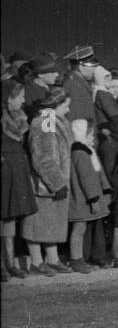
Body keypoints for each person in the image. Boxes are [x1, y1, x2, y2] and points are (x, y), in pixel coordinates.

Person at [23, 88, 74, 275]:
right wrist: (57, 182)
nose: (68, 110)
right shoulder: (45, 122)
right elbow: (43, 157)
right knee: (39, 224)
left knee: (50, 223)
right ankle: (36, 262)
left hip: (54, 183)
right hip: (45, 185)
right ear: (56, 105)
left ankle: (52, 259)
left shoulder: (55, 121)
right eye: (66, 106)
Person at [1, 78, 36, 280]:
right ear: (9, 99)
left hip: (16, 170)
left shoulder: (20, 117)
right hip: (5, 171)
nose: (24, 100)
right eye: (20, 97)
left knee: (10, 220)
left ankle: (10, 262)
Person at [67, 118, 111, 273]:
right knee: (78, 230)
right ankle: (76, 259)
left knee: (82, 229)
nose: (93, 137)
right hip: (83, 199)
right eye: (90, 134)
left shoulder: (88, 151)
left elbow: (97, 174)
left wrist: (105, 190)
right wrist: (93, 199)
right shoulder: (80, 152)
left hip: (87, 198)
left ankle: (79, 258)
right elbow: (87, 178)